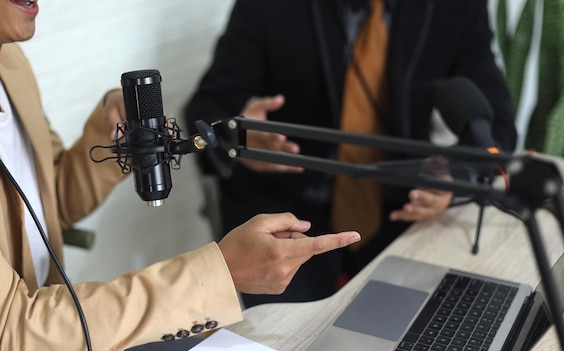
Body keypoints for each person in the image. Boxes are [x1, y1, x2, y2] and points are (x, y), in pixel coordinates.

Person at [0, 2, 361, 351]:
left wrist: (109, 132)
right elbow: (10, 330)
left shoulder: (9, 64)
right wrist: (218, 273)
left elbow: (47, 207)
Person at [184, 0, 518, 308]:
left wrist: (451, 177)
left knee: (429, 337)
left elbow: (494, 126)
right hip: (287, 212)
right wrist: (238, 138)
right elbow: (206, 110)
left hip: (402, 208)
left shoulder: (458, 7)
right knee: (290, 349)